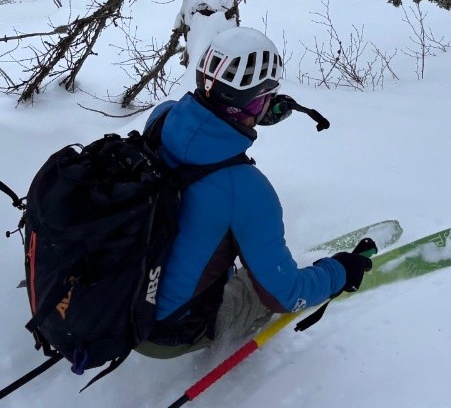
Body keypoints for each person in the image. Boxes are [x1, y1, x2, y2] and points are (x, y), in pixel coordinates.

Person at [134, 26, 373, 358]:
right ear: (254, 100)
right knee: (260, 288)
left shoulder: (163, 119)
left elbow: (213, 121)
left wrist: (254, 112)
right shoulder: (247, 191)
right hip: (164, 331)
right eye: (266, 96)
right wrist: (339, 272)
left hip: (123, 301)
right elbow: (286, 295)